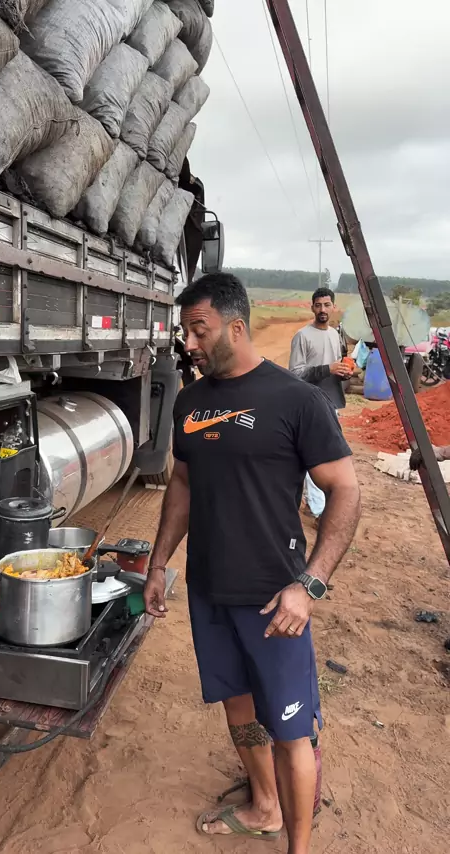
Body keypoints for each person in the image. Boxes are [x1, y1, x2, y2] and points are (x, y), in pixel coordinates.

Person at [144, 272, 361, 854]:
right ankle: (264, 806)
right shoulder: (190, 402)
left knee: (291, 731)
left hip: (273, 599)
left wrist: (309, 585)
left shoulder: (296, 400)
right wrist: (159, 563)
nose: (189, 342)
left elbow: (345, 489)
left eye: (200, 330)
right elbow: (183, 482)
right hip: (209, 588)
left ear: (236, 327)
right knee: (237, 704)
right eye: (185, 330)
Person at [289, 288, 353, 521]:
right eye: (318, 305)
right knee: (315, 456)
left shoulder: (335, 335)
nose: (322, 309)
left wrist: (344, 373)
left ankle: (315, 504)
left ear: (333, 307)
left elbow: (335, 369)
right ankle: (318, 510)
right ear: (312, 307)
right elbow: (295, 374)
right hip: (310, 404)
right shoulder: (303, 336)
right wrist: (328, 368)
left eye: (327, 305)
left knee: (328, 456)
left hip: (331, 402)